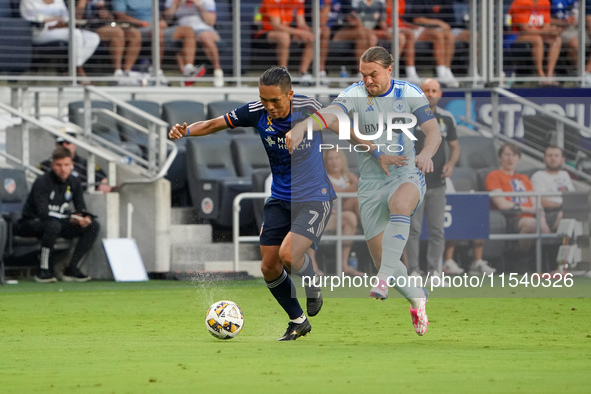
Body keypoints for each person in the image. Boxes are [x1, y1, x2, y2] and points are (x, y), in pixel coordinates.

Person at [168, 66, 336, 341]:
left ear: (289, 94)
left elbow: (336, 118)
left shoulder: (308, 105)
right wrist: (185, 131)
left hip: (313, 197)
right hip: (280, 197)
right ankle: (298, 320)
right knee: (269, 266)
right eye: (263, 99)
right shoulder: (256, 110)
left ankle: (312, 279)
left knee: (288, 254)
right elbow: (212, 125)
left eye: (275, 101)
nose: (269, 107)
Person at [287, 46, 442, 336]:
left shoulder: (409, 92)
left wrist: (427, 153)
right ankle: (416, 297)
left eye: (374, 74)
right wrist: (304, 127)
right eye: (363, 74)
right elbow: (332, 115)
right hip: (370, 183)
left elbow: (433, 131)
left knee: (401, 204)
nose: (368, 80)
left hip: (407, 172)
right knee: (383, 257)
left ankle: (381, 279)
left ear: (389, 70)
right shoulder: (356, 93)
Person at [405, 78, 465, 278]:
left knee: (437, 230)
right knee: (413, 230)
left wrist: (451, 164)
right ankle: (413, 270)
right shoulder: (409, 116)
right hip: (414, 182)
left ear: (439, 94)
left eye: (434, 90)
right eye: (426, 90)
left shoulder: (447, 118)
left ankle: (434, 271)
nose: (430, 94)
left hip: (438, 183)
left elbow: (455, 147)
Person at [15, 147, 101, 283]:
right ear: (52, 165)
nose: (63, 169)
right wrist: (71, 219)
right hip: (32, 223)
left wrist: (83, 218)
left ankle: (72, 268)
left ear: (72, 165)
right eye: (59, 165)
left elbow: (80, 207)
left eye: (66, 165)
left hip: (59, 222)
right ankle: (43, 270)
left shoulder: (74, 182)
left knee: (92, 226)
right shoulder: (42, 182)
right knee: (52, 225)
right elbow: (44, 213)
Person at [485, 143, 550, 254]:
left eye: (514, 155)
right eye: (507, 155)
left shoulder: (524, 178)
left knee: (548, 225)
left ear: (518, 159)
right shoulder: (494, 175)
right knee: (532, 225)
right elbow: (502, 204)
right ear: (500, 158)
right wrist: (529, 210)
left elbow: (535, 201)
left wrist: (542, 218)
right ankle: (520, 255)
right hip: (511, 217)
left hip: (531, 216)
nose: (510, 159)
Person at [112, 0, 199, 82]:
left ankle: (188, 69)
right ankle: (157, 71)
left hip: (157, 27)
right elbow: (120, 16)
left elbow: (158, 14)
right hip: (137, 28)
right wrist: (145, 24)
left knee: (188, 30)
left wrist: (162, 22)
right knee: (158, 33)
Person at [20, 0, 101, 79]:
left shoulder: (59, 1)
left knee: (93, 37)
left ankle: (74, 67)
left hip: (61, 28)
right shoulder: (28, 1)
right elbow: (29, 19)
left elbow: (66, 17)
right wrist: (54, 21)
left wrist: (64, 23)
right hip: (41, 32)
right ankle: (78, 72)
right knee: (76, 34)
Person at [404, 0, 468, 88]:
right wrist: (439, 23)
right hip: (418, 29)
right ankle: (441, 73)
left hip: (439, 30)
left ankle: (447, 71)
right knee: (437, 35)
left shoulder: (446, 2)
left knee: (450, 36)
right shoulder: (419, 2)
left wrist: (443, 26)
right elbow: (417, 19)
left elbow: (449, 23)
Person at [76, 0, 142, 85]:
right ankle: (117, 72)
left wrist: (107, 15)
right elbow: (78, 15)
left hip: (111, 24)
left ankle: (127, 71)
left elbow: (113, 16)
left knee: (134, 33)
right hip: (89, 27)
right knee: (117, 33)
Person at [163, 0, 224, 87]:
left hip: (203, 29)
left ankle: (218, 71)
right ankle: (187, 77)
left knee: (205, 38)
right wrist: (176, 3)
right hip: (183, 29)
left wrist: (198, 4)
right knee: (180, 41)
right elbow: (167, 19)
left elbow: (211, 22)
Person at [323, 147, 364, 276]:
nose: (334, 162)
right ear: (325, 162)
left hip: (346, 212)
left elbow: (361, 189)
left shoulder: (349, 175)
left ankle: (368, 225)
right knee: (352, 210)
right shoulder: (324, 178)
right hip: (329, 215)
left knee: (355, 205)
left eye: (337, 158)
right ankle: (369, 227)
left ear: (342, 160)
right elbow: (338, 193)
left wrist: (353, 187)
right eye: (330, 159)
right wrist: (354, 186)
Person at [255, 0, 316, 85]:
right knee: (284, 37)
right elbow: (276, 25)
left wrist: (310, 31)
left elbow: (301, 24)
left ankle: (303, 72)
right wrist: (299, 32)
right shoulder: (271, 1)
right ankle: (282, 74)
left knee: (312, 36)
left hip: (286, 31)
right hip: (266, 32)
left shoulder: (296, 2)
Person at [38, 131, 112, 193]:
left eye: (68, 142)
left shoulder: (85, 164)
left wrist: (104, 185)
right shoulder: (46, 165)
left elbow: (103, 180)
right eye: (61, 143)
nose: (64, 145)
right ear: (56, 144)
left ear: (75, 144)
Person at [507, 0, 562, 85]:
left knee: (556, 39)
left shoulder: (545, 2)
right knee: (537, 39)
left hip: (537, 33)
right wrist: (547, 31)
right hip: (517, 36)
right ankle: (540, 75)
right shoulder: (521, 2)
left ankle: (549, 75)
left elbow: (546, 25)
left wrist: (552, 31)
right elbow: (524, 29)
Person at [531, 145, 576, 232]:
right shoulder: (538, 176)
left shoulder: (565, 174)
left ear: (563, 159)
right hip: (550, 214)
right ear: (544, 159)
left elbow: (573, 196)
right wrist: (563, 205)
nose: (553, 158)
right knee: (567, 215)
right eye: (550, 156)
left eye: (556, 156)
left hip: (569, 209)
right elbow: (542, 202)